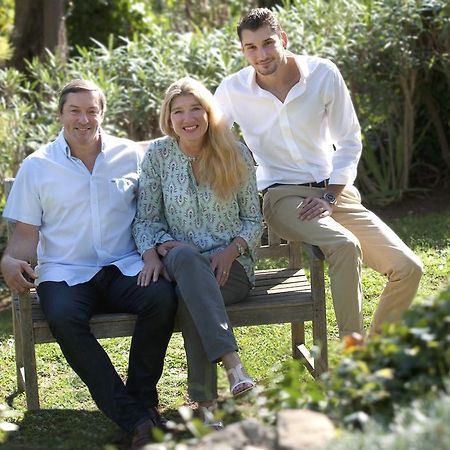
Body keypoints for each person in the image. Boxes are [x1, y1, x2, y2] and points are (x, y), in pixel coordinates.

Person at [214, 8, 423, 340]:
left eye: (268, 43)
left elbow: (349, 140)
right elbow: (205, 138)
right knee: (344, 245)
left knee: (408, 269)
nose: (261, 55)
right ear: (243, 51)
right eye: (251, 47)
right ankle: (352, 363)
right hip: (283, 196)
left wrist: (330, 196)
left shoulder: (323, 74)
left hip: (333, 192)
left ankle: (371, 354)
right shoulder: (232, 90)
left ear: (282, 39)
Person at [0, 79, 178, 449]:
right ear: (61, 114)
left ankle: (142, 400)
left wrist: (152, 250)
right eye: (75, 111)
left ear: (102, 114)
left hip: (125, 266)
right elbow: (25, 235)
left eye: (91, 111)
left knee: (161, 298)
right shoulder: (37, 166)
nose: (84, 119)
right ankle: (137, 419)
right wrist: (11, 259)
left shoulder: (131, 155)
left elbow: (152, 212)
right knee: (63, 317)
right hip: (65, 272)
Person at [132, 76, 262, 425]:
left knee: (194, 295)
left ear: (209, 113)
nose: (188, 118)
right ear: (169, 118)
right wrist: (159, 245)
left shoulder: (235, 153)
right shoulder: (158, 156)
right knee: (189, 262)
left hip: (229, 270)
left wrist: (232, 251)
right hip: (181, 260)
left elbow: (253, 219)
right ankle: (233, 365)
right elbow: (145, 220)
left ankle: (205, 407)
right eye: (178, 112)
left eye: (195, 110)